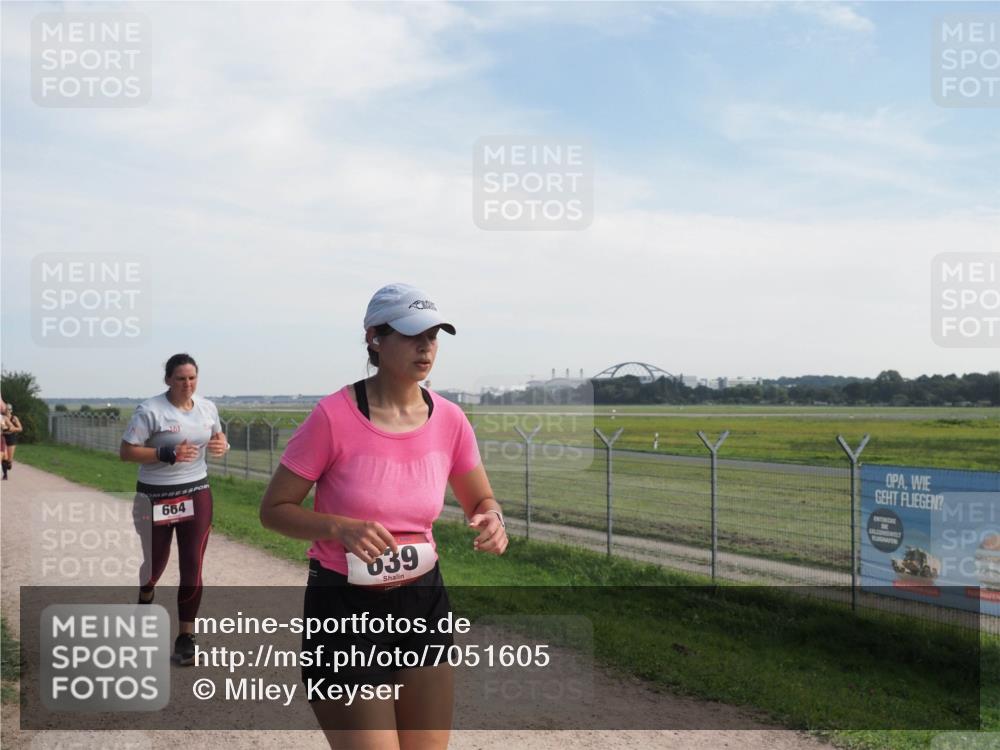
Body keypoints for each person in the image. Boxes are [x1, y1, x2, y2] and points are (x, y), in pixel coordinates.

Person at [260, 283, 507, 750]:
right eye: (413, 334)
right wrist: (338, 526)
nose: (426, 346)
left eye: (434, 335)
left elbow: (482, 501)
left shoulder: (451, 420)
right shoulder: (333, 416)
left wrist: (493, 520)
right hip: (345, 609)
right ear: (375, 337)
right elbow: (273, 511)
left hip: (424, 603)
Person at [119, 353, 229, 665]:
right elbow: (126, 452)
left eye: (192, 378)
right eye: (180, 378)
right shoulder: (150, 410)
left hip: (196, 492)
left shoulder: (207, 407)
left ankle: (186, 636)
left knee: (192, 565)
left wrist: (223, 445)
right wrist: (167, 452)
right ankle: (146, 594)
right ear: (168, 379)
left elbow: (218, 436)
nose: (187, 384)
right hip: (155, 497)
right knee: (155, 565)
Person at [1, 402, 22, 480]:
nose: (7, 411)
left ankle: (9, 464)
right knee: (4, 457)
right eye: (6, 409)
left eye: (9, 409)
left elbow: (20, 428)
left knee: (9, 462)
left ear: (11, 410)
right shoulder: (2, 418)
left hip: (11, 439)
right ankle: (5, 475)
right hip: (2, 438)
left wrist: (13, 429)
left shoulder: (14, 418)